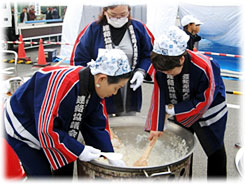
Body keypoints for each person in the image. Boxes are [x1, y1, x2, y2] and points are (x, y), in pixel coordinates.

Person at [4, 49, 131, 177]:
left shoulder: (95, 92)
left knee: (65, 169)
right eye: (116, 88)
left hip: (56, 129)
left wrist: (110, 156)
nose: (115, 93)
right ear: (102, 78)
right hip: (23, 125)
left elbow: (96, 127)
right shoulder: (63, 82)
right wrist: (80, 150)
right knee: (42, 175)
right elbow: (45, 129)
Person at [145, 26, 227, 178]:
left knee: (215, 150)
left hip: (208, 110)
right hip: (177, 105)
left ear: (181, 59)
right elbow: (159, 94)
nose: (165, 74)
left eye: (169, 72)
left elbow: (205, 100)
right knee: (183, 146)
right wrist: (156, 125)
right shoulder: (161, 65)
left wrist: (175, 109)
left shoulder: (204, 66)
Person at [70, 3, 154, 116]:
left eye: (123, 14)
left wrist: (141, 71)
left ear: (129, 11)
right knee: (101, 118)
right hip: (102, 86)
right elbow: (79, 58)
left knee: (128, 119)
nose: (118, 18)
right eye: (113, 15)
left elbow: (148, 54)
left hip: (128, 85)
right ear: (105, 11)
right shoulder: (93, 29)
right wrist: (90, 75)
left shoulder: (139, 28)